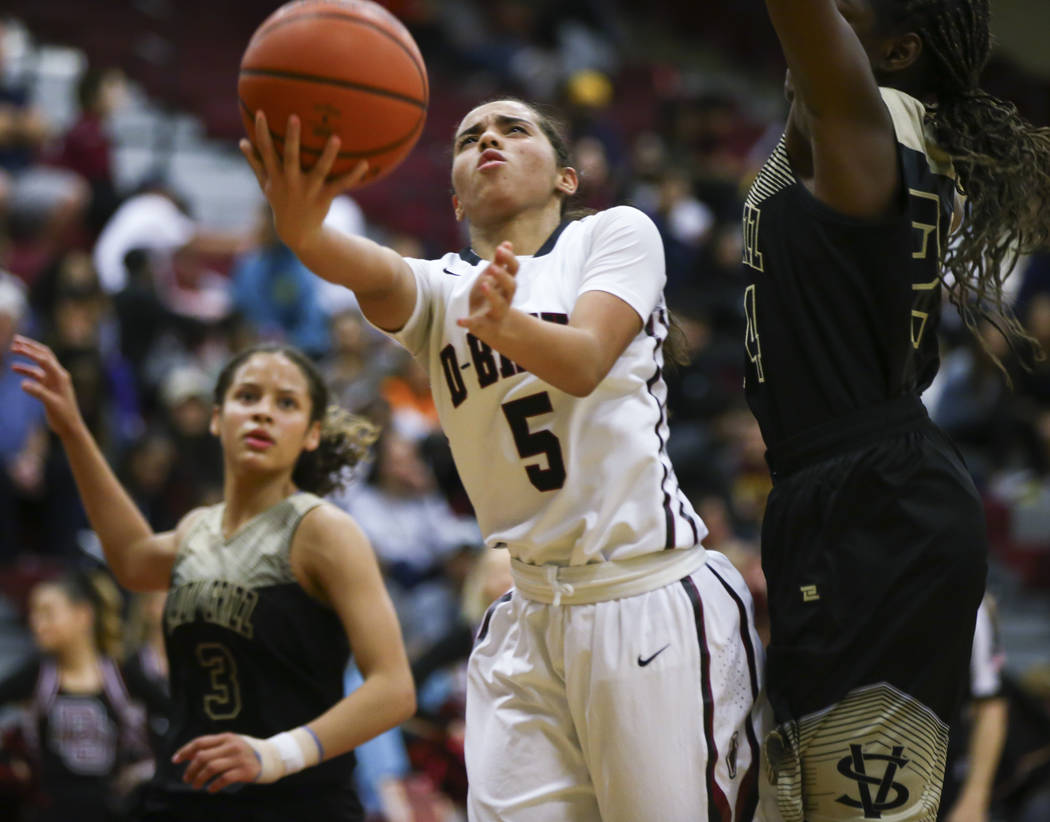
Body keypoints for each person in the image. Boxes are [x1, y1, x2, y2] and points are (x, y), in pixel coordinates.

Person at [239, 99, 772, 821]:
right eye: (469, 137)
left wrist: (504, 325)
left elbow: (583, 361)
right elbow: (351, 262)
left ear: (567, 178)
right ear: (455, 195)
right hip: (526, 613)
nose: (488, 137)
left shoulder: (615, 236)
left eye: (514, 129)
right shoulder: (440, 289)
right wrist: (300, 224)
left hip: (644, 597)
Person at [741, 1, 1050, 819]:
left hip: (881, 507)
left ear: (896, 49)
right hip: (843, 490)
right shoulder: (840, 136)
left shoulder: (863, 124)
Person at [8, 336, 416, 821]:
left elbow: (393, 688)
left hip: (294, 802)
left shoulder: (322, 530)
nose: (263, 413)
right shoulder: (195, 528)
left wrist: (277, 754)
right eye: (248, 397)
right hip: (184, 798)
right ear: (217, 418)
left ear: (311, 433)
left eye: (286, 403)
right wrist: (74, 430)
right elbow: (133, 558)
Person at [0, 569, 164, 822]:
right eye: (34, 613)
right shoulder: (37, 675)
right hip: (47, 812)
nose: (37, 622)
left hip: (112, 811)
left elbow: (176, 719)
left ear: (82, 615)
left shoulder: (120, 676)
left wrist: (146, 769)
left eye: (47, 613)